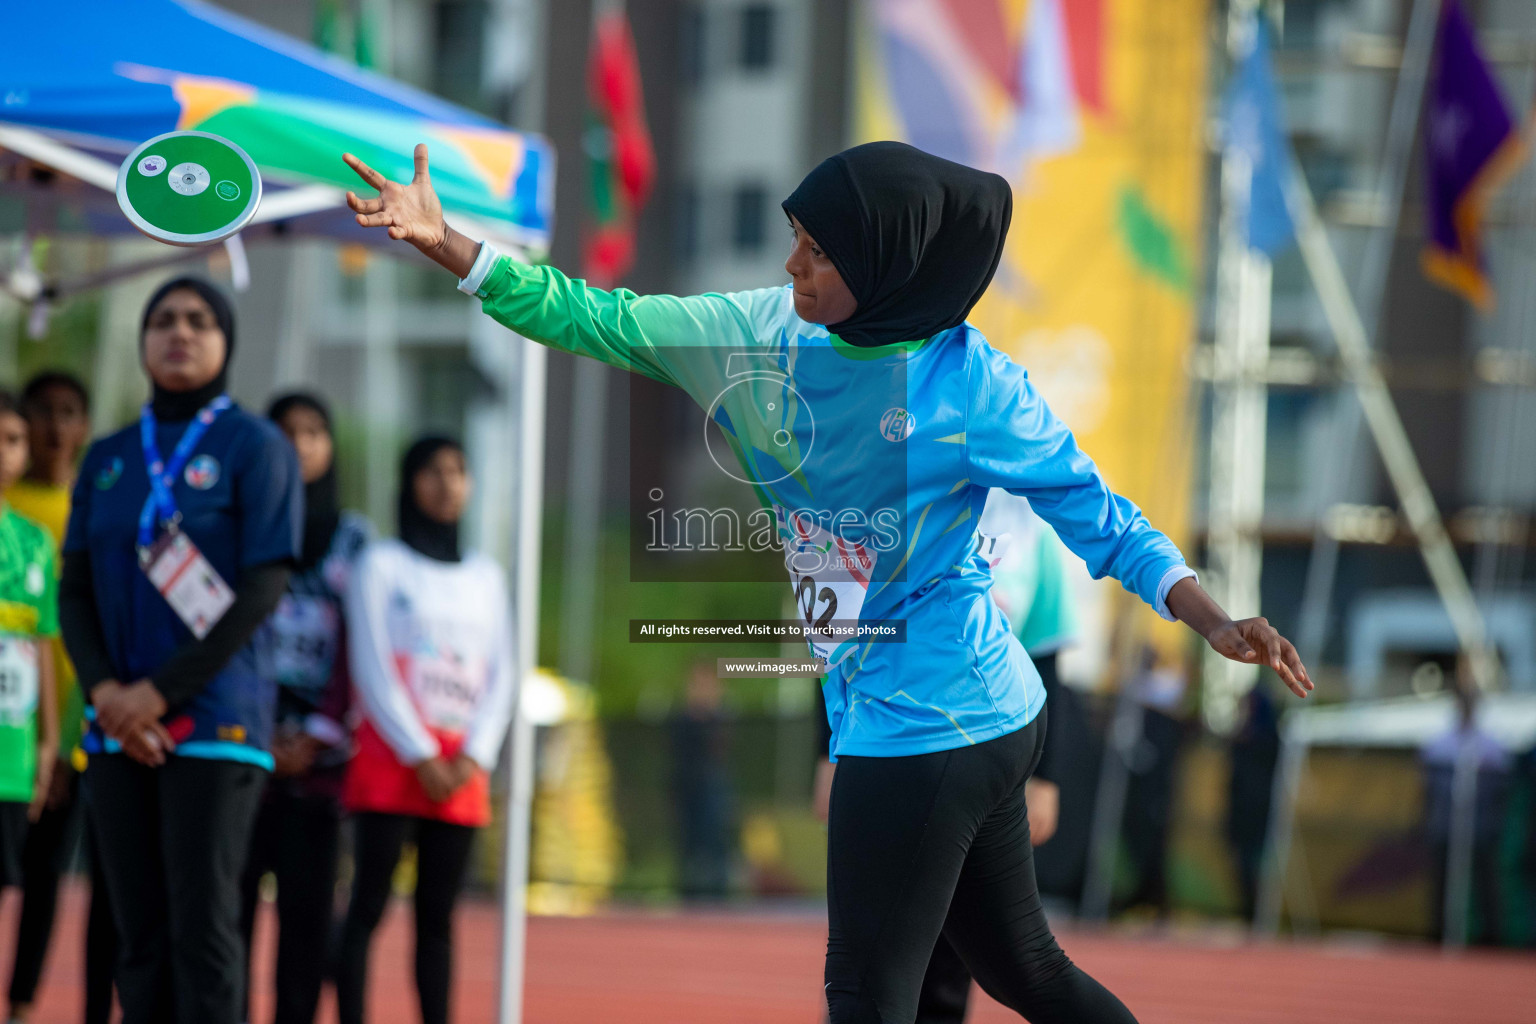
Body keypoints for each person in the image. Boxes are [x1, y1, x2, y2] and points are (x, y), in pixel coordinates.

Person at [343, 141, 1312, 1024]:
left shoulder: (968, 383)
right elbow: (597, 316)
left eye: (817, 253)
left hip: (932, 712)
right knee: (1024, 970)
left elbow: (1098, 515)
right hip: (941, 703)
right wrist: (451, 247)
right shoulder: (751, 332)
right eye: (794, 241)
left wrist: (1211, 615)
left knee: (866, 992)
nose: (791, 268)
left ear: (887, 264)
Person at [59, 278, 303, 1024]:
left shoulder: (256, 447)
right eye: (163, 320)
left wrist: (157, 694)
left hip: (215, 724)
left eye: (200, 321)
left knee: (204, 933)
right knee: (138, 936)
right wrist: (106, 692)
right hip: (117, 726)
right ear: (142, 341)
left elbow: (262, 588)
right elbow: (73, 590)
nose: (180, 333)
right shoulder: (108, 456)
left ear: (226, 340)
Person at [336, 437, 517, 1024]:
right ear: (409, 482)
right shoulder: (381, 565)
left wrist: (475, 755)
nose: (447, 483)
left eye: (459, 471)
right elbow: (372, 664)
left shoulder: (486, 576)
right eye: (433, 471)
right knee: (369, 902)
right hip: (394, 759)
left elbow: (503, 671)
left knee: (437, 916)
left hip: (462, 763)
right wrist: (418, 752)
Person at [239, 392, 371, 1024]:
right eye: (286, 431)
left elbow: (365, 652)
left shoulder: (356, 541)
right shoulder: (236, 525)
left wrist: (314, 737)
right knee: (226, 921)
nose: (301, 444)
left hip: (319, 769)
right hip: (238, 750)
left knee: (308, 925)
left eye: (315, 431)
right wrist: (257, 736)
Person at [4, 371, 118, 1024]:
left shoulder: (97, 512)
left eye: (68, 413)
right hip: (12, 739)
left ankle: (22, 1004)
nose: (52, 427)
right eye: (40, 413)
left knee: (50, 881)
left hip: (79, 731)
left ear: (83, 426)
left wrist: (65, 732)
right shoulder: (9, 509)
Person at [0, 388, 59, 895]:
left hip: (11, 758)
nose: (3, 452)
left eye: (13, 440)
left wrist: (46, 744)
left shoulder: (36, 542)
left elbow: (43, 643)